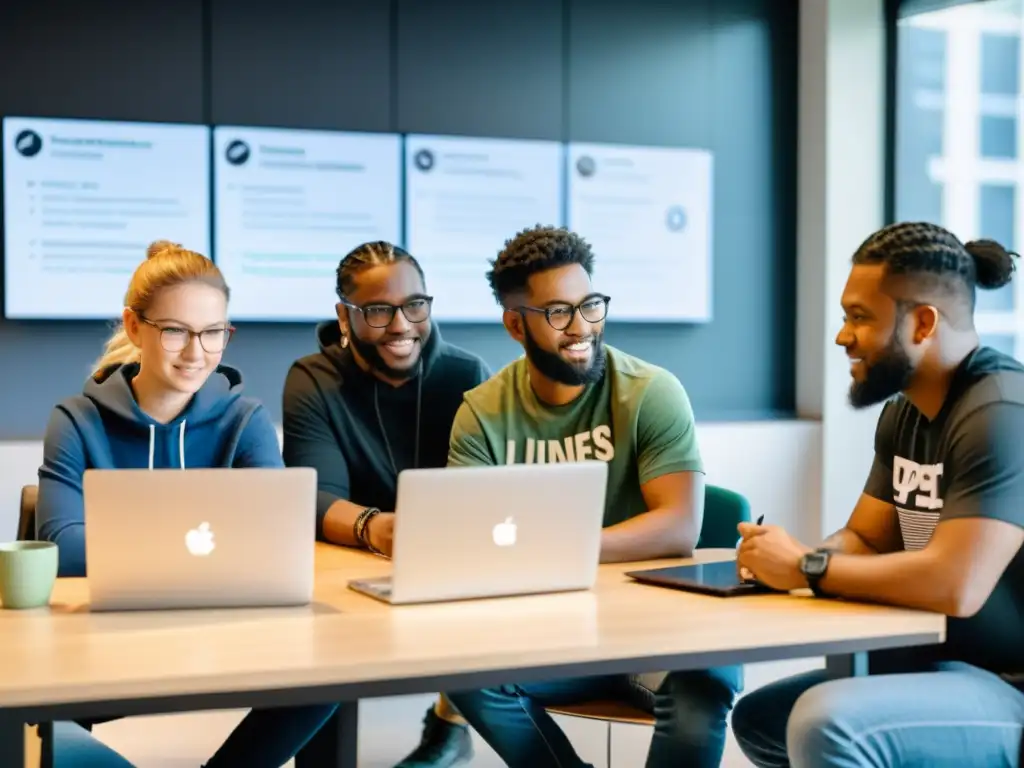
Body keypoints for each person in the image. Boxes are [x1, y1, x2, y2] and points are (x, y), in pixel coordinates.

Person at [439, 225, 742, 768]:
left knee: (706, 681)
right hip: (556, 636)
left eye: (591, 305)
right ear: (515, 324)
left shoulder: (650, 391)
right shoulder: (482, 414)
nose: (582, 327)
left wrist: (553, 548)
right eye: (558, 312)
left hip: (658, 631)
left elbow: (678, 526)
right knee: (462, 671)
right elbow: (469, 545)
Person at [730, 221, 1024, 767]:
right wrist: (786, 558)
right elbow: (867, 536)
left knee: (830, 725)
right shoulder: (904, 411)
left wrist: (808, 567)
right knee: (762, 721)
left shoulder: (1001, 413)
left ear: (923, 323)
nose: (843, 336)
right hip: (938, 662)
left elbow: (957, 584)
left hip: (1010, 687)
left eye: (859, 318)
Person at [35, 240, 338, 768]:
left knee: (334, 671)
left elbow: (278, 541)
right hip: (101, 646)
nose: (196, 352)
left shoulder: (244, 419)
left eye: (213, 332)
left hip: (221, 636)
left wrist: (129, 547)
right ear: (134, 327)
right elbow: (62, 548)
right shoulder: (76, 420)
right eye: (175, 331)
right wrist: (208, 552)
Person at [281, 240, 490, 767]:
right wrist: (379, 528)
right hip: (346, 562)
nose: (401, 325)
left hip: (446, 563)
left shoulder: (467, 376)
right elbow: (314, 497)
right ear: (344, 316)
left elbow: (487, 493)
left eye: (415, 305)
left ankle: (449, 724)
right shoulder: (314, 379)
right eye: (378, 310)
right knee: (319, 649)